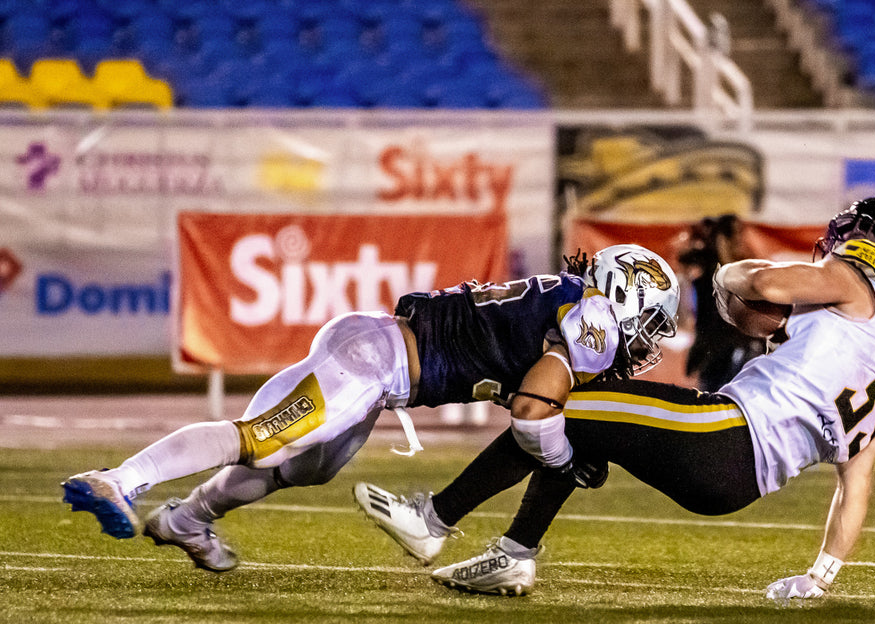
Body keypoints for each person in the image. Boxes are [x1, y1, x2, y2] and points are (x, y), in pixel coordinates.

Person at [359, 195, 875, 600]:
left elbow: (762, 284)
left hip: (725, 434)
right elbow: (856, 484)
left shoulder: (865, 274)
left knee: (561, 405)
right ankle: (514, 552)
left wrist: (727, 276)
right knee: (586, 416)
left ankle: (434, 519)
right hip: (738, 481)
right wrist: (821, 576)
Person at [62, 244, 680, 572]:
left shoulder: (568, 298)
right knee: (265, 438)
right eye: (650, 321)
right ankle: (117, 480)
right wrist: (565, 458)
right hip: (375, 359)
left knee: (301, 466)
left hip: (379, 367)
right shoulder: (592, 319)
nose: (649, 340)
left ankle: (185, 520)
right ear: (624, 294)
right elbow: (531, 415)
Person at [677, 214, 766, 390]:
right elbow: (686, 259)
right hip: (717, 350)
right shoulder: (710, 268)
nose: (740, 240)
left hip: (739, 346)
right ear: (724, 237)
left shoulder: (741, 268)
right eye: (735, 234)